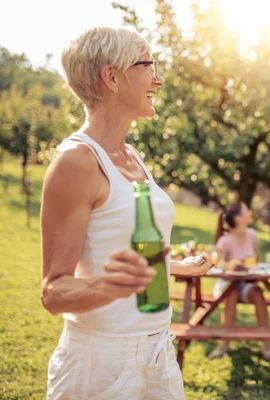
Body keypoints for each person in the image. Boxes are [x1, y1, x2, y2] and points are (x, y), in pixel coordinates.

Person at [40, 27, 213, 399]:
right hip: (101, 364)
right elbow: (53, 291)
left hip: (157, 352)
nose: (159, 78)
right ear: (112, 77)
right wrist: (110, 287)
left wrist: (174, 267)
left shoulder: (133, 157)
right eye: (148, 64)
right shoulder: (76, 161)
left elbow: (129, 248)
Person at [208, 202, 270, 360]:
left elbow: (257, 261)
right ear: (238, 218)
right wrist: (231, 266)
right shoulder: (225, 241)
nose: (250, 213)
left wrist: (248, 267)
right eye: (246, 211)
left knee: (258, 293)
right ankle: (224, 343)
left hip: (247, 282)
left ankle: (266, 342)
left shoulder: (252, 235)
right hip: (226, 283)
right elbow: (216, 264)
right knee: (231, 294)